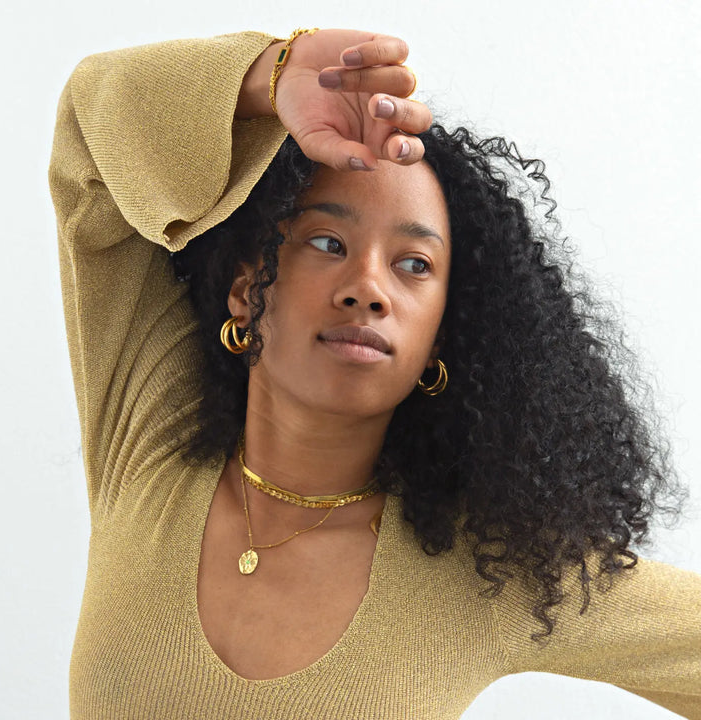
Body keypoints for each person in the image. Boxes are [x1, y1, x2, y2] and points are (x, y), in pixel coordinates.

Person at [48, 28, 701, 720]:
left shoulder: (490, 572)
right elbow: (90, 138)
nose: (367, 288)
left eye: (414, 265)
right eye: (328, 242)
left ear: (441, 335)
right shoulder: (149, 432)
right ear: (245, 289)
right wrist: (272, 75)